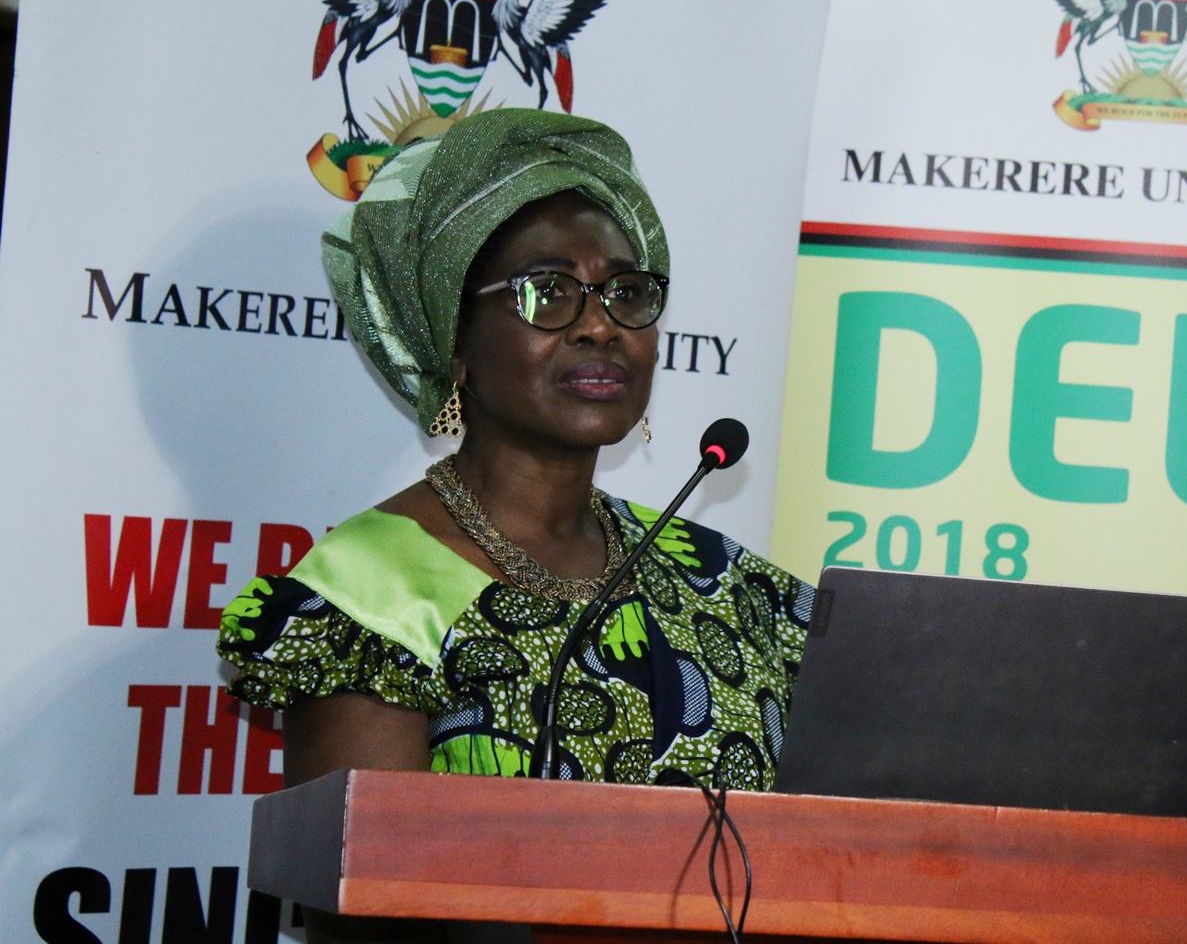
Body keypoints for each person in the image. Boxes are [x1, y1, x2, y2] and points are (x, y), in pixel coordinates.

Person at [216, 109, 813, 942]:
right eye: (548, 292)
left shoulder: (729, 585)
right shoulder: (368, 595)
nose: (600, 323)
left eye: (626, 293)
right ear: (452, 338)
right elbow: (368, 916)